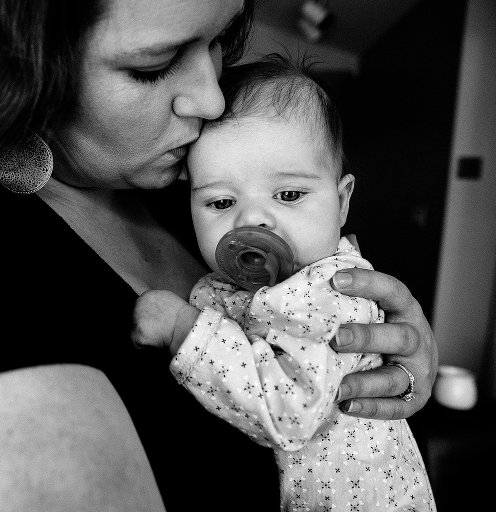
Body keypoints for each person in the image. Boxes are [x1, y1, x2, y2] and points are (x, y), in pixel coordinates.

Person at [0, 0, 438, 510]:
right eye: (151, 66)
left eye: (219, 41)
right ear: (13, 60)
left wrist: (395, 361)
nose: (209, 98)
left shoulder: (192, 181)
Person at [132, 55, 435, 510]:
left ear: (342, 201)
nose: (251, 218)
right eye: (220, 201)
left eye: (289, 195)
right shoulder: (233, 284)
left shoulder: (329, 292)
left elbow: (291, 413)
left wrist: (184, 331)